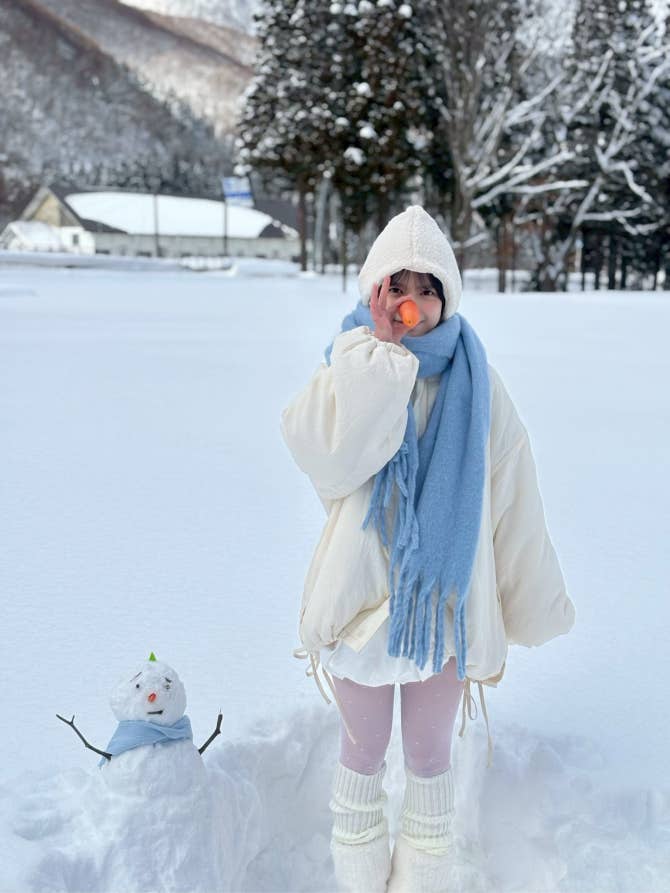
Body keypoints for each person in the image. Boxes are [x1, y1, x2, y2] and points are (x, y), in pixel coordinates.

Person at [281, 205, 575, 893]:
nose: (411, 301)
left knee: (428, 758)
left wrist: (530, 602)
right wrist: (382, 360)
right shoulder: (349, 363)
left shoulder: (478, 384)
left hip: (442, 609)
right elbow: (329, 459)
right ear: (373, 290)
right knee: (361, 754)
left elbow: (512, 494)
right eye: (397, 284)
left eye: (428, 286)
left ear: (448, 296)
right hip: (362, 606)